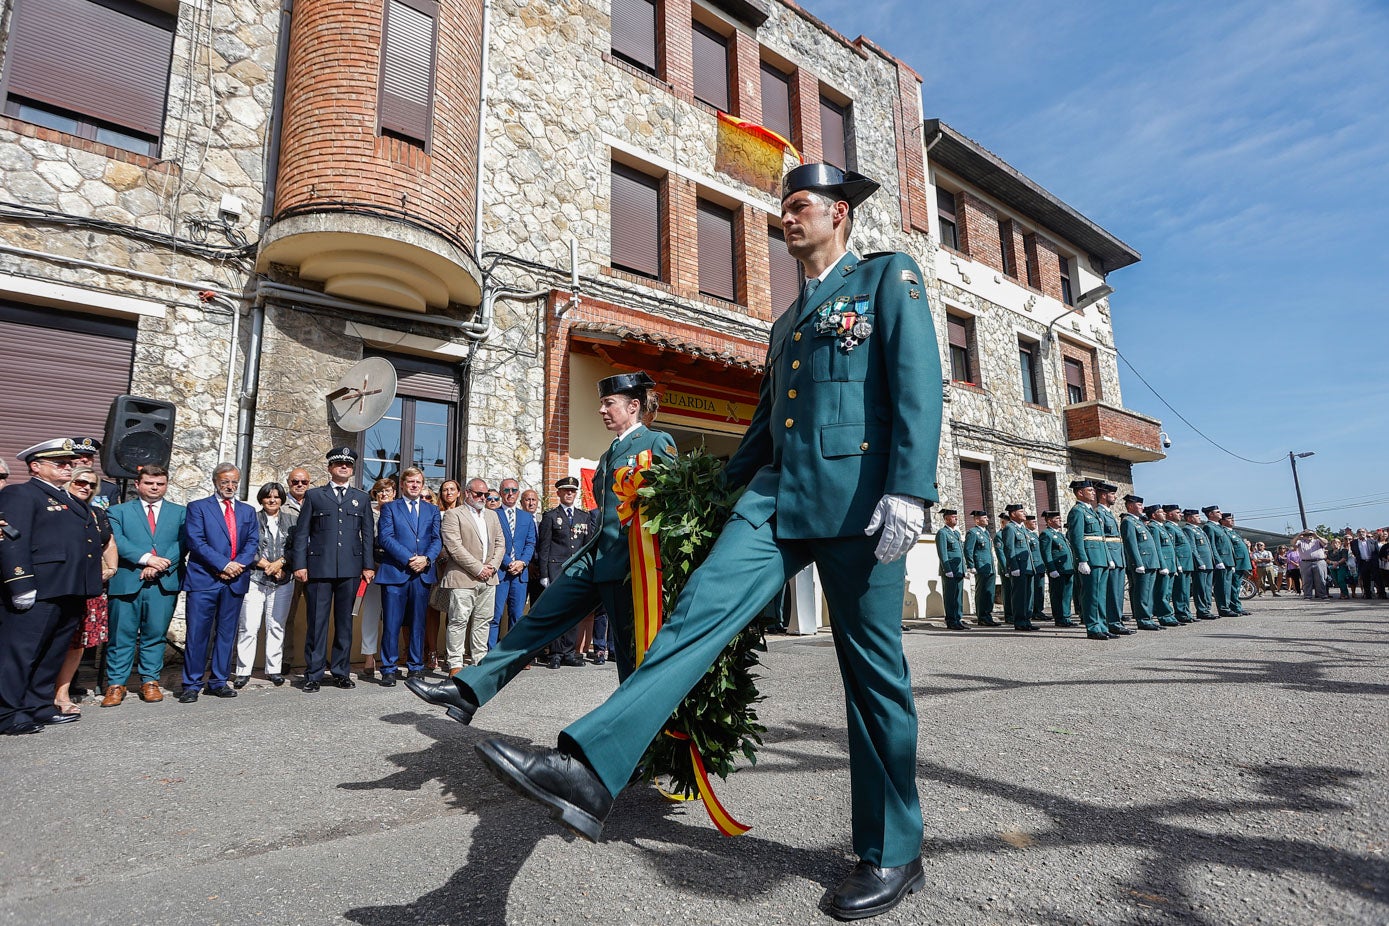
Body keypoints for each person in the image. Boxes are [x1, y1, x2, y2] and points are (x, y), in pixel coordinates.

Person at [467, 164, 943, 921]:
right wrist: (702, 499)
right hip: (774, 499)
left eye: (798, 208)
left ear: (839, 215)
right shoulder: (787, 320)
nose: (785, 220)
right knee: (695, 614)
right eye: (781, 210)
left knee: (872, 678)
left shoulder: (887, 278)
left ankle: (892, 850)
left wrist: (910, 489)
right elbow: (764, 429)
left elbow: (918, 382)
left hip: (861, 503)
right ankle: (590, 765)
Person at [0, 439, 104, 734]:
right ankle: (8, 712)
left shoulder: (69, 498)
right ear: (36, 466)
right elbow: (10, 539)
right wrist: (19, 582)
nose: (68, 467)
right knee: (21, 652)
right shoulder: (21, 493)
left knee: (51, 652)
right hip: (40, 589)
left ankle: (38, 705)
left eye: (70, 463)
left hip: (69, 588)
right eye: (61, 463)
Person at [289, 447, 375, 692]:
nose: (343, 467)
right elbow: (302, 533)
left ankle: (341, 671)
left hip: (350, 568)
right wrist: (300, 564)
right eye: (339, 464)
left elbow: (367, 534)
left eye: (347, 464)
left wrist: (368, 565)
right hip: (319, 568)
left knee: (345, 624)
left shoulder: (362, 497)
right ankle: (313, 674)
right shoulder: (315, 496)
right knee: (316, 623)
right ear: (329, 468)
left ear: (352, 468)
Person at [104, 464, 186, 705]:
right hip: (127, 581)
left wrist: (161, 564)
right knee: (121, 635)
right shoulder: (117, 511)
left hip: (164, 581)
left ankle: (150, 681)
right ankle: (116, 684)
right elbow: (117, 540)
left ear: (166, 485)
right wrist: (146, 559)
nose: (155, 487)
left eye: (160, 484)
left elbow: (183, 542)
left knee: (155, 634)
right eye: (149, 483)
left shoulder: (180, 512)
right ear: (138, 485)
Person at [180, 464, 259, 702]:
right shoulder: (198, 508)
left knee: (227, 633)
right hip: (205, 579)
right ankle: (192, 683)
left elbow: (252, 542)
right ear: (215, 481)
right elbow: (196, 541)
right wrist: (223, 565)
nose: (230, 486)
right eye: (225, 481)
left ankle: (218, 681)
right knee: (197, 633)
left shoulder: (247, 511)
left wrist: (236, 566)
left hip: (235, 581)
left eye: (234, 482)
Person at [53, 467, 118, 715]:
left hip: (91, 588)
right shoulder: (57, 510)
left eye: (91, 485)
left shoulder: (97, 513)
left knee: (79, 643)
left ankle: (62, 693)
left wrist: (111, 568)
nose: (86, 487)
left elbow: (108, 541)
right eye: (80, 482)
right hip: (60, 586)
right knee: (53, 640)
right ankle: (36, 692)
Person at [375, 467, 442, 685]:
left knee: (418, 623)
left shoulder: (432, 510)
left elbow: (436, 539)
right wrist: (409, 559)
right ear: (402, 484)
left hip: (421, 574)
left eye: (418, 482)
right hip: (396, 572)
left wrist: (426, 559)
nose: (414, 485)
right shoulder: (390, 508)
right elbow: (385, 538)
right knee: (392, 624)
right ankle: (389, 668)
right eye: (410, 481)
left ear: (423, 485)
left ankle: (415, 667)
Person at [233, 482, 298, 688]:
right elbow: (244, 547)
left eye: (277, 497)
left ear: (282, 499)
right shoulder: (252, 519)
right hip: (255, 578)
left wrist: (281, 564)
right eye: (268, 497)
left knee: (276, 626)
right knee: (249, 627)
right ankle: (243, 671)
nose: (272, 500)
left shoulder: (292, 520)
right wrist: (268, 565)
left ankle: (274, 669)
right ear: (261, 498)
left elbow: (297, 547)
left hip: (283, 580)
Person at [437, 477, 504, 671]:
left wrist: (491, 566)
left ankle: (479, 661)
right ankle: (455, 663)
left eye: (486, 494)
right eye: (478, 494)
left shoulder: (492, 516)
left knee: (483, 621)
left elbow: (500, 543)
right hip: (462, 577)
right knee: (458, 621)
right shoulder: (454, 515)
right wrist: (478, 568)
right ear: (467, 493)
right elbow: (454, 547)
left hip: (490, 577)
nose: (483, 497)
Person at [534, 476, 598, 666]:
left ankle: (569, 652)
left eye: (572, 491)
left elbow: (587, 547)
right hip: (555, 568)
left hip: (576, 570)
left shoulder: (583, 517)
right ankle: (555, 653)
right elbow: (544, 547)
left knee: (572, 611)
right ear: (559, 493)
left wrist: (587, 570)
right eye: (566, 490)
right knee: (555, 611)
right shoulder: (550, 516)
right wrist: (544, 574)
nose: (569, 493)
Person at [358, 476, 397, 679]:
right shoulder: (368, 514)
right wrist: (367, 566)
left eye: (388, 491)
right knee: (371, 614)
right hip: (373, 568)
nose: (384, 495)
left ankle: (389, 656)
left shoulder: (399, 512)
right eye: (380, 492)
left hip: (394, 568)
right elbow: (362, 540)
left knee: (392, 615)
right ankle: (369, 656)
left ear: (394, 494)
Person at [491, 478, 536, 648]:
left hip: (520, 575)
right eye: (506, 490)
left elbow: (530, 542)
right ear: (501, 492)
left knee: (516, 616)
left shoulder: (526, 517)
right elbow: (493, 543)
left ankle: (512, 654)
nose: (510, 494)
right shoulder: (493, 514)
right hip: (500, 573)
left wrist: (523, 562)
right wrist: (509, 562)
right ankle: (490, 655)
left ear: (518, 493)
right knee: (494, 616)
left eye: (514, 490)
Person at [426, 479, 464, 669]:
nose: (448, 493)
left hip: (458, 566)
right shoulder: (435, 513)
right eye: (444, 490)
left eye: (452, 489)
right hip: (437, 565)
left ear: (459, 492)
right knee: (433, 609)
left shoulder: (465, 513)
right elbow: (433, 537)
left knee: (454, 611)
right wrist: (441, 558)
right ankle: (432, 653)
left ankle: (452, 654)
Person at [1120, 494, 1161, 631]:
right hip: (1142, 562)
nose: (1142, 507)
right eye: (1139, 505)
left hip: (1150, 561)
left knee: (1148, 592)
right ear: (1131, 506)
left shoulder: (1138, 522)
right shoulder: (1128, 522)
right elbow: (1131, 544)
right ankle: (1143, 619)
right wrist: (1137, 563)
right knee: (1142, 593)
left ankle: (1148, 617)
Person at [1096, 483, 1129, 634]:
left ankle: (1117, 620)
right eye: (1112, 494)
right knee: (1112, 592)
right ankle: (1113, 622)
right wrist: (1109, 558)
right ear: (1103, 495)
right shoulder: (1099, 513)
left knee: (1118, 592)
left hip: (1118, 556)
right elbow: (1102, 538)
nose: (1115, 497)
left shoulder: (1108, 513)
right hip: (1111, 556)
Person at [1038, 510, 1075, 627]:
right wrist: (1051, 569)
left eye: (1060, 518)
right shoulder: (1047, 534)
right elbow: (1046, 553)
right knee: (1058, 594)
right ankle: (1060, 618)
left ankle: (1066, 616)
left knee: (1067, 594)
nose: (1060, 520)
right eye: (1057, 519)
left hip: (1067, 568)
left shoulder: (1060, 534)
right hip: (1057, 569)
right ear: (1049, 521)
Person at [1146, 505, 1180, 627]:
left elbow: (1171, 548)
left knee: (1167, 592)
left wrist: (1176, 564)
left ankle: (1168, 615)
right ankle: (1164, 616)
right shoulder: (1153, 527)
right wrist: (1162, 565)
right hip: (1164, 563)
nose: (1164, 514)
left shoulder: (1162, 527)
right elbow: (1157, 548)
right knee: (1162, 592)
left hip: (1170, 564)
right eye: (1161, 512)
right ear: (1154, 515)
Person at [963, 511, 998, 625]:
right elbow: (968, 550)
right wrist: (971, 565)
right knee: (982, 592)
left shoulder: (986, 533)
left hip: (989, 566)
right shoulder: (973, 533)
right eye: (984, 517)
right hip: (981, 566)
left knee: (990, 592)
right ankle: (982, 617)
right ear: (977, 520)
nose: (987, 519)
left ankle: (988, 615)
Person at [935, 509, 967, 630]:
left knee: (958, 597)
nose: (956, 519)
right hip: (950, 570)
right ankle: (951, 620)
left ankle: (958, 619)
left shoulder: (957, 534)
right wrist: (947, 569)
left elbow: (961, 553)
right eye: (953, 517)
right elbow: (942, 552)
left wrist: (964, 568)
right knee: (950, 597)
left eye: (956, 517)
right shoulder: (942, 533)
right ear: (947, 519)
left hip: (959, 569)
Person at [1163, 505, 1196, 623]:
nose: (1180, 514)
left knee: (1186, 590)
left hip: (1186, 562)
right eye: (1177, 512)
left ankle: (1186, 611)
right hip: (1180, 561)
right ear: (1170, 514)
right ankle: (1181, 613)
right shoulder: (1169, 527)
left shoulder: (1177, 527)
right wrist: (1177, 563)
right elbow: (1172, 547)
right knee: (1180, 590)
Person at [1201, 506, 1236, 617]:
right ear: (1211, 514)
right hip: (1222, 560)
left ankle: (1227, 606)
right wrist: (1218, 560)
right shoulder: (1209, 527)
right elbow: (1212, 545)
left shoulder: (1219, 527)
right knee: (1222, 586)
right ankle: (1223, 608)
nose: (1221, 513)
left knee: (1227, 585)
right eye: (1217, 512)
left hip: (1228, 560)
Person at [1182, 509, 1217, 619]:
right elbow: (1193, 547)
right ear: (1189, 518)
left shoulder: (1199, 530)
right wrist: (1199, 562)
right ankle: (1202, 610)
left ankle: (1207, 608)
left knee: (1207, 588)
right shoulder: (1188, 529)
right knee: (1200, 587)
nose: (1199, 518)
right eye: (1196, 516)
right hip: (1201, 564)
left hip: (1208, 563)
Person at [1222, 513, 1252, 615]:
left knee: (1237, 586)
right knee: (1233, 586)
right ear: (1223, 521)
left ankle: (1237, 606)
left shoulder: (1233, 532)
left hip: (1241, 562)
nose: (1232, 520)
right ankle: (1234, 606)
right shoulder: (1225, 532)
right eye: (1229, 519)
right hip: (1235, 562)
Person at [1293, 530, 1329, 600]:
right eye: (1306, 534)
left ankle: (1322, 595)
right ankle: (1307, 595)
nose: (1309, 536)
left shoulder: (1317, 541)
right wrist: (1298, 536)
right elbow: (1293, 543)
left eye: (1310, 534)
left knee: (1321, 579)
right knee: (1306, 580)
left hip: (1319, 561)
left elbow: (1326, 542)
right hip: (1305, 562)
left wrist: (1317, 536)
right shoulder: (1300, 542)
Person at [1351, 530, 1381, 599]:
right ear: (1357, 534)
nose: (1361, 533)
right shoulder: (1354, 543)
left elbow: (1377, 552)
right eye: (1359, 532)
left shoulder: (1372, 541)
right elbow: (1355, 552)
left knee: (1377, 579)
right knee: (1365, 579)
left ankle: (1382, 593)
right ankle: (1367, 594)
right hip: (1363, 562)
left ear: (1366, 533)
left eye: (1363, 532)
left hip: (1372, 562)